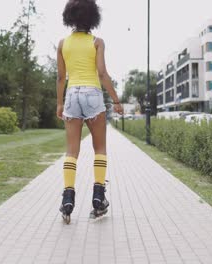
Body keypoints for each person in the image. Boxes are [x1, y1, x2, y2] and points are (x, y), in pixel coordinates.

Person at [56, 0, 123, 224]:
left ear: (70, 17)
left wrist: (59, 104)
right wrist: (116, 100)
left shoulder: (62, 44)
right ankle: (98, 198)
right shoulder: (97, 42)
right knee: (100, 148)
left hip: (72, 96)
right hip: (93, 95)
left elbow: (60, 77)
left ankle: (67, 199)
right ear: (93, 17)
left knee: (71, 151)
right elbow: (102, 73)